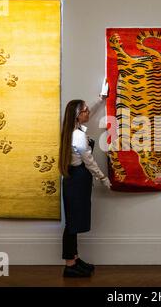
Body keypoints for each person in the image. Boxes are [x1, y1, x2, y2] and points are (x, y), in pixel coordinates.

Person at [58, 82, 112, 278]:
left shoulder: (74, 128)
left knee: (74, 221)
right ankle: (69, 264)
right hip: (78, 179)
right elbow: (89, 161)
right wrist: (103, 177)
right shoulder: (78, 136)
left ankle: (74, 258)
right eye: (85, 111)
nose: (89, 112)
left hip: (75, 179)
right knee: (72, 223)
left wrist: (100, 99)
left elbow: (89, 108)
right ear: (78, 115)